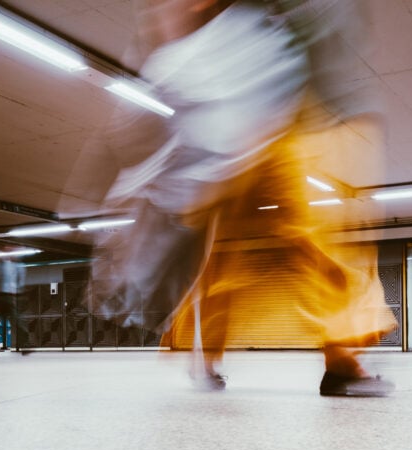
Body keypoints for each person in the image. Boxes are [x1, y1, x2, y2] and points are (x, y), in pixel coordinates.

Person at [95, 0, 395, 395]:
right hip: (258, 102)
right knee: (302, 238)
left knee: (274, 242)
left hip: (275, 95)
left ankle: (328, 357)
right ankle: (332, 357)